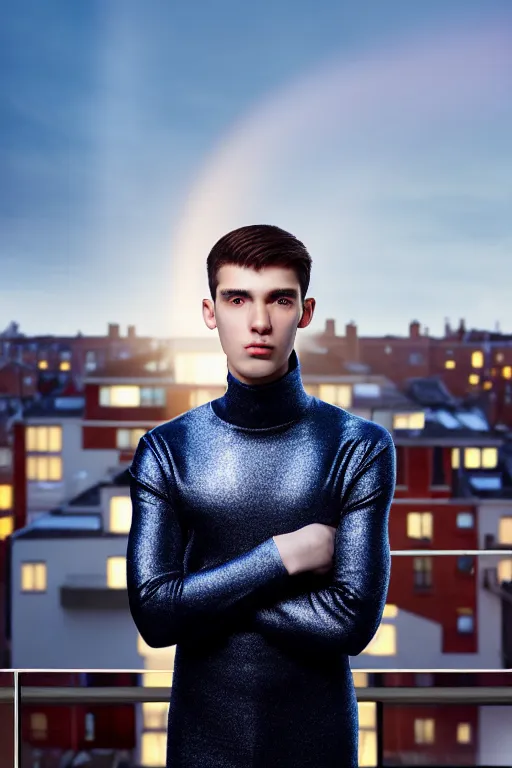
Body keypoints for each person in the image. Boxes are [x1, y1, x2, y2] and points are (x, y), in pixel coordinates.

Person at [126, 224, 396, 767]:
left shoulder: (359, 446)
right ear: (210, 311)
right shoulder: (165, 450)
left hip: (319, 748)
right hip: (202, 748)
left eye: (279, 299)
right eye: (237, 298)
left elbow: (351, 624)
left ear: (305, 311)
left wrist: (202, 593)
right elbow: (155, 619)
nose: (259, 322)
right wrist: (282, 556)